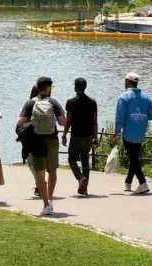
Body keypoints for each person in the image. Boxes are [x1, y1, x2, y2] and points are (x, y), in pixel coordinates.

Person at [18, 76, 68, 216]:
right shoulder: (53, 102)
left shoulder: (30, 103)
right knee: (52, 171)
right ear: (48, 87)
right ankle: (51, 199)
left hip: (36, 141)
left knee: (39, 173)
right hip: (51, 140)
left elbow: (21, 122)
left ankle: (45, 204)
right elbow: (63, 122)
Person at [113, 72, 152, 194]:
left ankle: (143, 183)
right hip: (141, 133)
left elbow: (119, 118)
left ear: (127, 82)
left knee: (133, 158)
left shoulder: (123, 97)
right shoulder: (146, 97)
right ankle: (128, 182)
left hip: (128, 134)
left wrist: (116, 133)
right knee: (134, 156)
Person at [63, 77, 98, 195]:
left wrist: (64, 135)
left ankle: (80, 178)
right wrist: (95, 137)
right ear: (85, 87)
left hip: (76, 137)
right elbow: (94, 122)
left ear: (75, 87)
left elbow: (68, 121)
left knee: (72, 159)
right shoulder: (92, 102)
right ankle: (85, 187)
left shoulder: (71, 102)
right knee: (84, 160)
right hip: (88, 137)